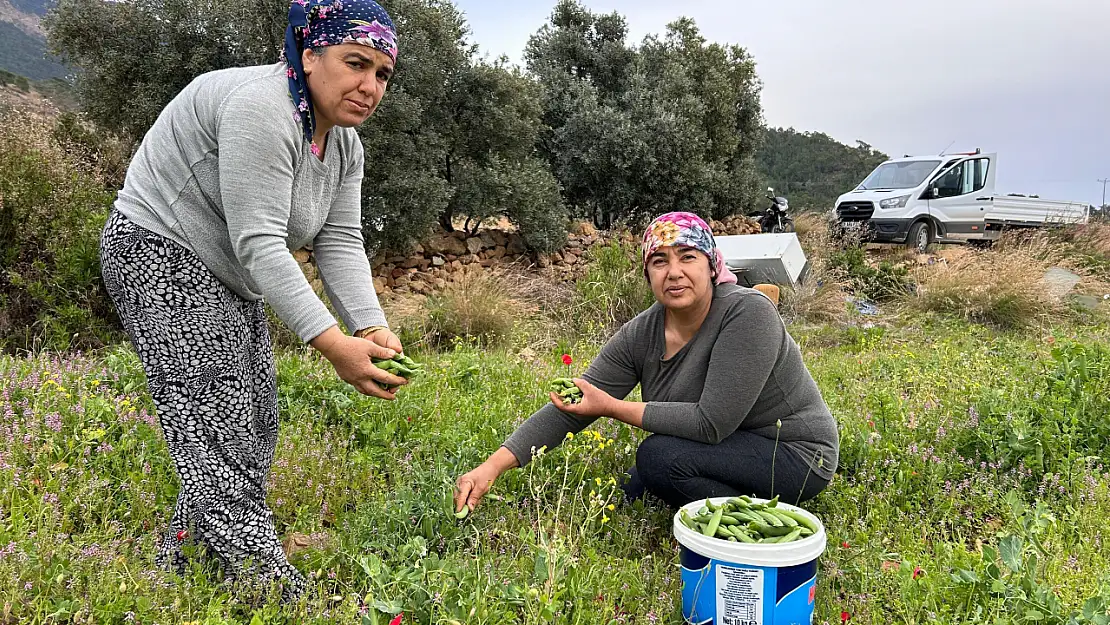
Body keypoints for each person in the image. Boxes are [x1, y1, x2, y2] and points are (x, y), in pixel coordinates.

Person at [98, 0, 403, 600]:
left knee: (255, 419)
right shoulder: (262, 109)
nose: (369, 86)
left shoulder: (343, 145)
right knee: (214, 423)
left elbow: (337, 239)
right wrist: (331, 344)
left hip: (225, 272)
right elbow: (260, 240)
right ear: (310, 55)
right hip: (155, 248)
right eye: (356, 63)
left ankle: (181, 562)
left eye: (383, 74)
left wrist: (368, 325)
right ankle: (277, 591)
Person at [455, 212, 839, 513]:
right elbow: (575, 406)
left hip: (795, 453)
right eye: (659, 261)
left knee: (659, 459)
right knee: (637, 486)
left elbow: (711, 424)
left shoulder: (747, 313)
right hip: (734, 445)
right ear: (647, 273)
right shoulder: (642, 332)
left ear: (711, 265)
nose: (674, 272)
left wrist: (611, 408)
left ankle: (756, 522)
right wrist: (491, 467)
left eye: (688, 257)